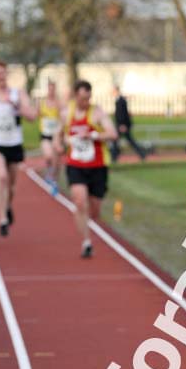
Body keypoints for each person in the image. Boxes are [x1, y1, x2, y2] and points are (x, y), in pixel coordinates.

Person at [54, 80, 117, 258]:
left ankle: (87, 224)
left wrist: (93, 135)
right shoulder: (67, 113)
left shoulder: (97, 113)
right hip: (76, 165)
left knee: (94, 209)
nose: (86, 102)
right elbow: (57, 135)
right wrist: (58, 145)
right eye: (82, 99)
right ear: (76, 96)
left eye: (88, 98)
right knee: (80, 201)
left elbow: (113, 134)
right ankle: (86, 241)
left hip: (97, 166)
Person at [0, 60, 37, 236]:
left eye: (1, 72)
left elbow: (32, 116)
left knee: (11, 186)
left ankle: (8, 205)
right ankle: (2, 218)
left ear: (6, 73)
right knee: (1, 177)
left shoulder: (18, 93)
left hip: (13, 143)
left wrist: (15, 105)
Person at [110, 85, 146, 162]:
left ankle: (114, 156)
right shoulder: (119, 100)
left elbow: (123, 114)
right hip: (121, 125)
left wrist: (122, 125)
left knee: (122, 141)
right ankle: (115, 156)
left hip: (122, 125)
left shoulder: (121, 100)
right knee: (118, 141)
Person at [38, 80, 62, 195]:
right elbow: (36, 114)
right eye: (49, 89)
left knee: (56, 161)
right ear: (47, 89)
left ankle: (54, 181)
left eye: (53, 89)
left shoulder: (59, 103)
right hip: (45, 134)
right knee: (48, 156)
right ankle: (49, 172)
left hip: (56, 135)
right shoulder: (42, 102)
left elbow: (63, 117)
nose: (51, 91)